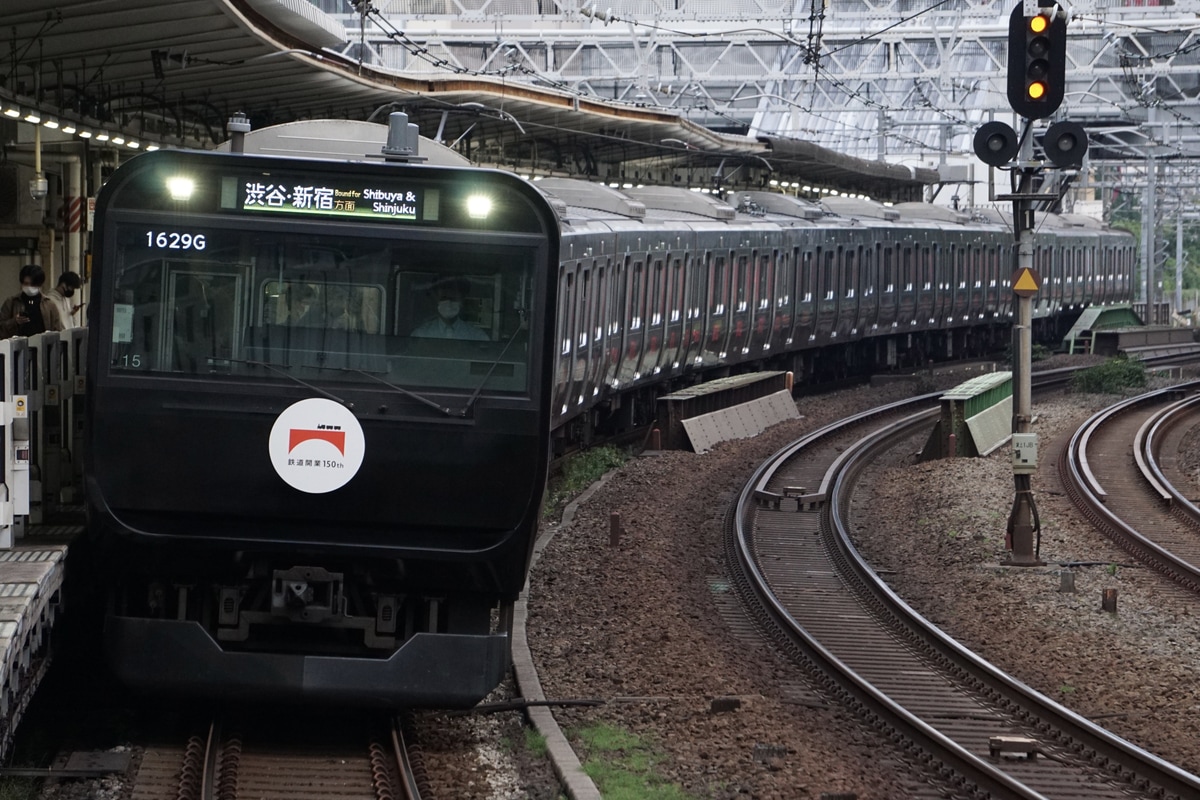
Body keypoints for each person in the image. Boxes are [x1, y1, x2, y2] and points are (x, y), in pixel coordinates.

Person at [0, 264, 65, 339]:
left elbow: (57, 329)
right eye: (26, 283)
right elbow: (1, 327)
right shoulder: (12, 302)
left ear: (40, 284)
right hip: (18, 346)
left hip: (42, 346)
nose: (30, 287)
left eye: (34, 284)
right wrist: (15, 321)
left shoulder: (49, 304)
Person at [411, 278, 488, 340]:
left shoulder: (477, 336)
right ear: (436, 300)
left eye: (453, 298)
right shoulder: (421, 335)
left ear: (461, 301)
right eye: (444, 298)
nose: (448, 303)